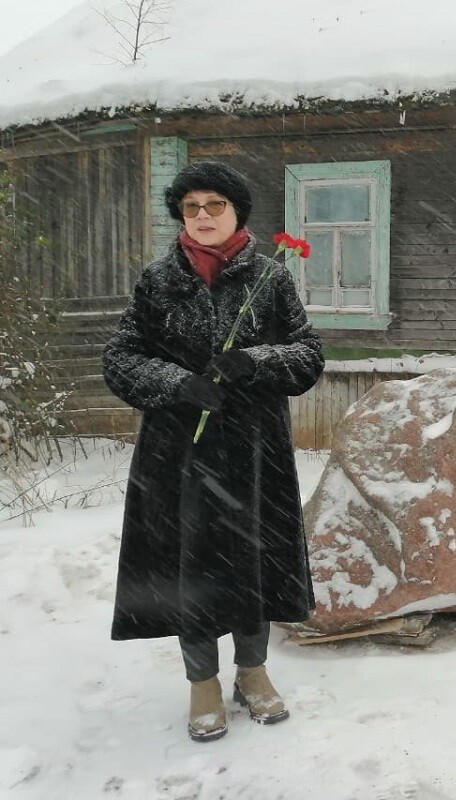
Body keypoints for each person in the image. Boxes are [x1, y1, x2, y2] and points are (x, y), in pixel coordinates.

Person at [102, 161, 324, 743]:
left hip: (253, 452)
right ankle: (202, 680)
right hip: (178, 453)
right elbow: (121, 360)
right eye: (192, 206)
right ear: (181, 213)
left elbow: (306, 355)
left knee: (252, 560)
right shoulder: (158, 279)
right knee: (191, 566)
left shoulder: (269, 276)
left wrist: (255, 361)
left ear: (236, 212)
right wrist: (178, 385)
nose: (203, 216)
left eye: (215, 205)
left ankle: (252, 670)